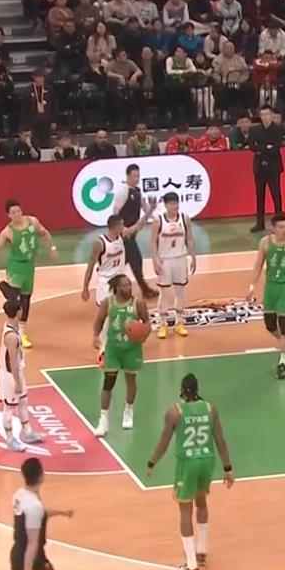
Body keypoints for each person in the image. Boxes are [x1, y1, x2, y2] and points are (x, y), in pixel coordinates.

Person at [146, 373, 234, 570]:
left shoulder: (174, 412)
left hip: (187, 464)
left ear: (182, 390)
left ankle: (191, 563)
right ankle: (202, 551)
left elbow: (164, 442)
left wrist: (152, 462)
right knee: (201, 502)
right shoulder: (210, 409)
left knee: (185, 511)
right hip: (207, 460)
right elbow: (220, 439)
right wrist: (228, 468)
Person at [0, 199, 59, 348]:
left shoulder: (33, 222)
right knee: (13, 298)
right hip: (16, 266)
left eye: (18, 211)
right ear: (8, 215)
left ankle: (21, 332)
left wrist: (52, 248)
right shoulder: (7, 232)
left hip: (29, 265)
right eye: (13, 212)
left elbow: (45, 233)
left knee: (26, 299)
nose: (17, 214)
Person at [246, 214, 285, 379]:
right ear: (274, 228)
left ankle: (282, 362)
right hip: (271, 287)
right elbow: (258, 265)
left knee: (284, 324)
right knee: (270, 324)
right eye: (281, 227)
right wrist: (252, 286)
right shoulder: (265, 243)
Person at [91, 275, 149, 437]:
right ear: (116, 287)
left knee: (131, 380)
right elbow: (99, 320)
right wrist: (95, 336)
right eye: (124, 285)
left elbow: (147, 322)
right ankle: (103, 420)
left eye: (129, 285)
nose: (128, 288)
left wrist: (144, 335)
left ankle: (128, 411)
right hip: (113, 349)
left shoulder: (138, 303)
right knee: (108, 383)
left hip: (132, 349)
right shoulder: (108, 303)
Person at [0, 298, 46, 451]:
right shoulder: (11, 336)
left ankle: (27, 432)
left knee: (23, 401)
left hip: (17, 373)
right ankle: (10, 439)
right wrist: (17, 382)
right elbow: (13, 362)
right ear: (18, 312)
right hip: (10, 375)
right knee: (9, 408)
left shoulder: (13, 327)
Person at [151, 192, 197, 339]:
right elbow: (153, 242)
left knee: (180, 291)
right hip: (165, 259)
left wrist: (193, 257)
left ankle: (179, 322)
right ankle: (163, 324)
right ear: (165, 205)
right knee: (164, 292)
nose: (174, 206)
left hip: (180, 258)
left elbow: (189, 238)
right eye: (171, 204)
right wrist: (155, 260)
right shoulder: (158, 221)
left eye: (176, 203)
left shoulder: (184, 218)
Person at [113, 163, 159, 299]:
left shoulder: (137, 191)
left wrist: (154, 215)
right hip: (124, 234)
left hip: (132, 233)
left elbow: (145, 208)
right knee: (134, 260)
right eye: (134, 176)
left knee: (130, 261)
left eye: (138, 176)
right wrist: (122, 229)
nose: (136, 178)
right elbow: (115, 213)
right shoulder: (123, 192)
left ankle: (118, 288)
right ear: (127, 176)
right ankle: (143, 289)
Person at [248, 105, 285, 232]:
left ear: (272, 115)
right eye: (262, 115)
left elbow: (276, 148)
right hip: (259, 167)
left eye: (267, 114)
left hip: (273, 166)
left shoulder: (278, 129)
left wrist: (261, 149)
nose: (265, 117)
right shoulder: (254, 130)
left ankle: (279, 223)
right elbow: (252, 147)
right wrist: (266, 147)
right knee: (260, 196)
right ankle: (260, 223)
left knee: (276, 195)